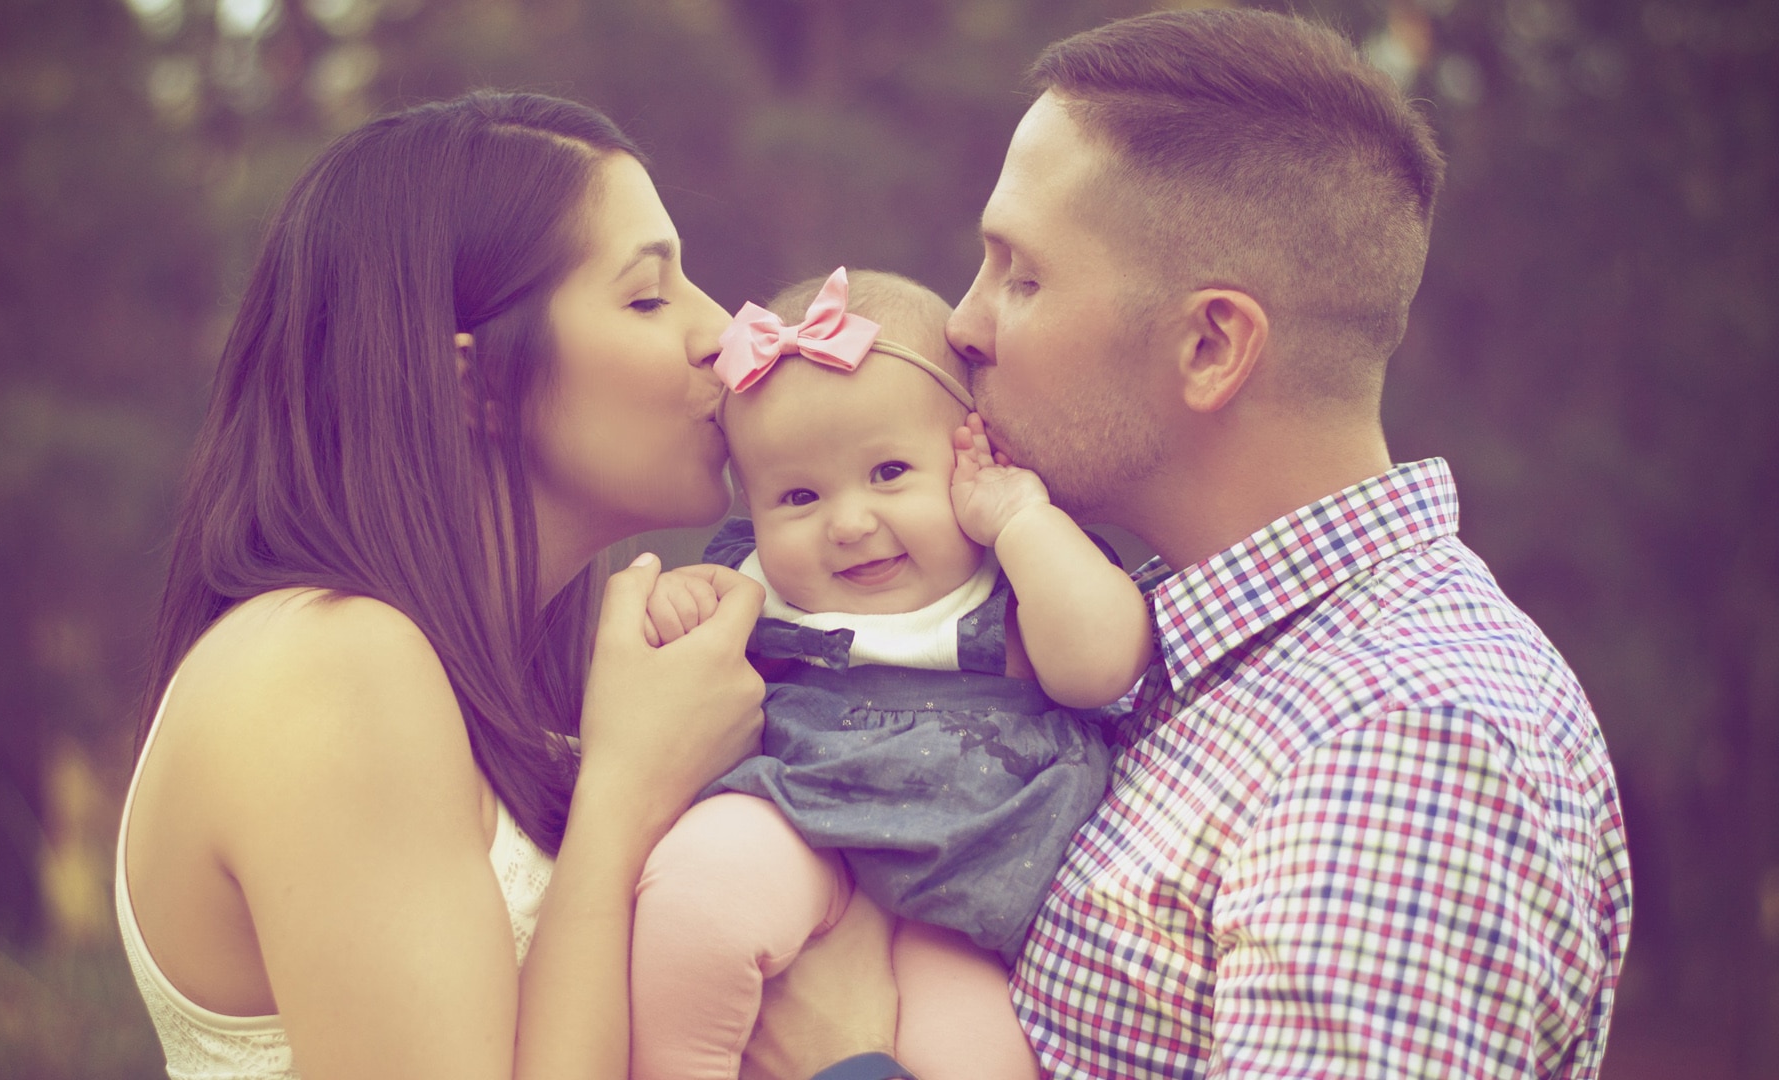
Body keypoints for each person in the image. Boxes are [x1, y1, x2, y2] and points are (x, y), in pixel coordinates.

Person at [760, 9, 1633, 1080]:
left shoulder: (1405, 741)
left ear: (1212, 345)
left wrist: (844, 1059)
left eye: (1021, 276)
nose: (963, 326)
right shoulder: (1149, 637)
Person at [114, 90, 771, 1080]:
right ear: (478, 384)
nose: (723, 332)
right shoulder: (327, 664)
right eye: (647, 296)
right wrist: (627, 791)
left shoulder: (509, 690)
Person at [627, 268, 1150, 1080]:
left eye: (889, 474)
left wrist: (1018, 516)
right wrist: (682, 608)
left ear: (973, 452)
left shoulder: (1014, 573)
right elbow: (678, 676)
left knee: (980, 1060)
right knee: (696, 899)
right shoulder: (754, 584)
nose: (849, 522)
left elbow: (1103, 666)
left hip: (967, 896)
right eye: (798, 495)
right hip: (799, 819)